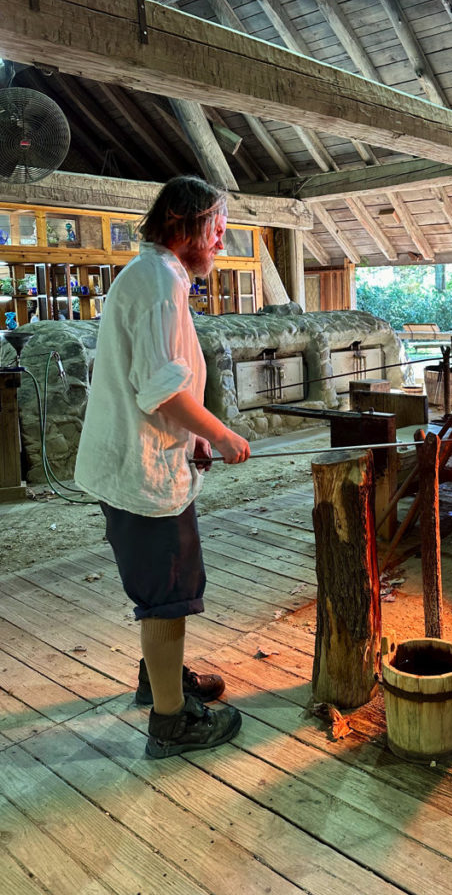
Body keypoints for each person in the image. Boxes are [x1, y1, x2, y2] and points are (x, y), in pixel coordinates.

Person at [74, 176, 251, 759]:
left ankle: (161, 679)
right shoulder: (156, 284)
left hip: (148, 461)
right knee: (169, 591)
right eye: (217, 230)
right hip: (141, 473)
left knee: (167, 585)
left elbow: (160, 380)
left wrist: (193, 440)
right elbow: (160, 392)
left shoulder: (157, 274)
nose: (221, 241)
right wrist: (220, 434)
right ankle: (172, 722)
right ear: (187, 226)